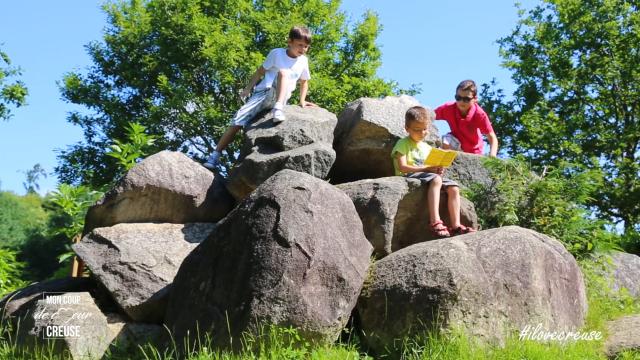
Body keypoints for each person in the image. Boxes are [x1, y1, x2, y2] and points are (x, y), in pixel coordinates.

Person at [203, 26, 318, 169]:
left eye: (306, 46)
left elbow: (304, 81)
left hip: (280, 99)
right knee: (237, 121)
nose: (303, 49)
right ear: (290, 41)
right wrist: (247, 89)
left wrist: (302, 100)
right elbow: (260, 71)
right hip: (264, 93)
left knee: (284, 73)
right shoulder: (277, 53)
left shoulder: (303, 61)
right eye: (300, 45)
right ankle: (215, 155)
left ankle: (278, 108)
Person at [391, 106, 476, 237]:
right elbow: (402, 167)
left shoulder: (426, 147)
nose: (422, 133)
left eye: (424, 129)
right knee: (436, 180)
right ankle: (435, 221)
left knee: (453, 187)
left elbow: (430, 167)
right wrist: (427, 169)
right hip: (409, 174)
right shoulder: (402, 143)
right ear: (407, 129)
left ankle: (456, 226)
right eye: (417, 130)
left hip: (427, 175)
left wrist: (437, 169)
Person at [434, 80, 498, 157]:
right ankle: (445, 166)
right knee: (446, 140)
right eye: (458, 98)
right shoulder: (448, 108)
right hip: (456, 143)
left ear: (475, 99)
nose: (461, 102)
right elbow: (429, 115)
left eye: (466, 99)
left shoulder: (479, 114)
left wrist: (492, 155)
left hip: (473, 151)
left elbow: (492, 137)